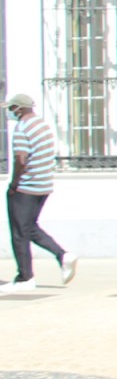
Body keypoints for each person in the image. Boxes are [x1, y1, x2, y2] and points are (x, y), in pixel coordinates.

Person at [3, 92, 75, 294]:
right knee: (29, 228)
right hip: (43, 186)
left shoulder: (22, 129)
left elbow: (21, 160)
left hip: (26, 187)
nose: (10, 112)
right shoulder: (42, 125)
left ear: (19, 109)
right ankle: (62, 255)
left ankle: (25, 278)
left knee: (19, 233)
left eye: (11, 108)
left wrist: (14, 184)